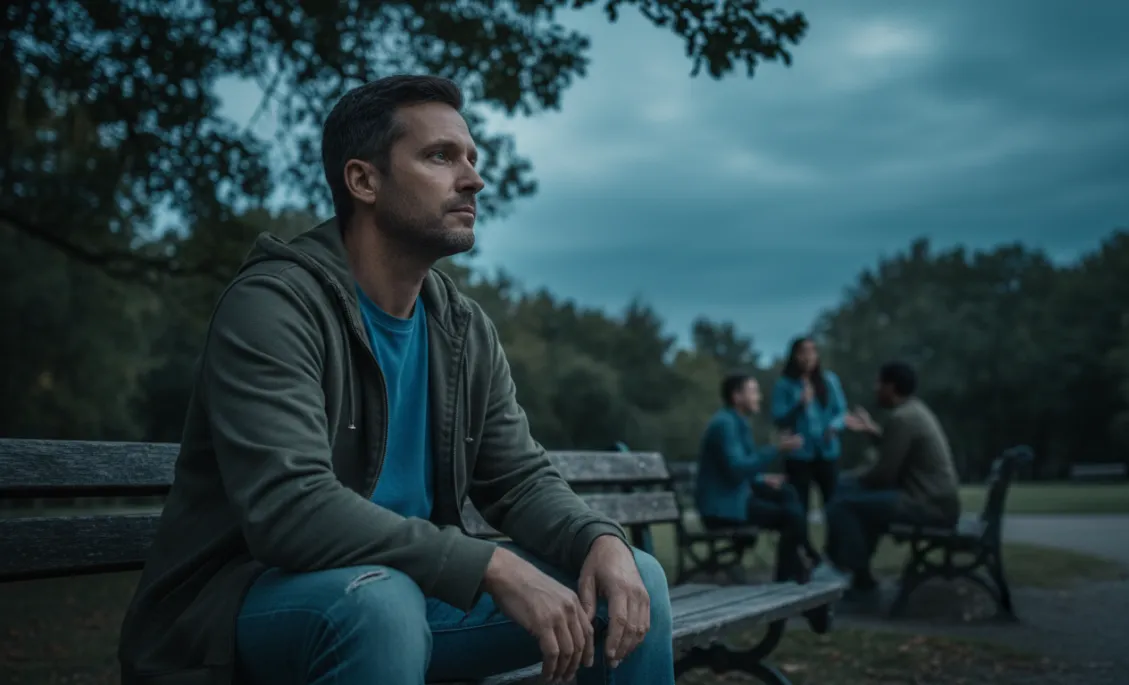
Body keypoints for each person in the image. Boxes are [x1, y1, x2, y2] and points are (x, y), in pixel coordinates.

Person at [117, 75, 673, 685]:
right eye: (440, 156)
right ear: (364, 181)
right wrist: (489, 564)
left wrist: (601, 539)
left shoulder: (460, 327)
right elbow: (291, 509)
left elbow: (517, 477)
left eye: (471, 159)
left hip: (411, 594)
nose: (473, 179)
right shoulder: (274, 306)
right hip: (234, 611)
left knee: (634, 579)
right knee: (378, 604)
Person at [821, 361, 961, 597]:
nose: (875, 388)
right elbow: (895, 452)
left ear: (891, 387)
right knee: (848, 494)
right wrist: (872, 432)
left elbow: (883, 475)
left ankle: (849, 572)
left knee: (843, 504)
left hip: (926, 505)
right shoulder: (914, 411)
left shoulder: (903, 418)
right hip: (934, 501)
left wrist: (851, 480)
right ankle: (853, 571)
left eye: (879, 383)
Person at [694, 372, 814, 583]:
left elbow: (740, 469)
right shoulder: (725, 425)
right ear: (737, 396)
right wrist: (777, 448)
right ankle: (790, 576)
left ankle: (801, 563)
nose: (758, 397)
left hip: (736, 498)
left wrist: (761, 479)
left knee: (787, 493)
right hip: (723, 509)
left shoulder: (737, 422)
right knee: (790, 517)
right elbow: (737, 469)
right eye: (753, 391)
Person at [771, 337, 848, 560]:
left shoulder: (829, 381)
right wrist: (799, 404)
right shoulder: (784, 385)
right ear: (795, 356)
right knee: (799, 507)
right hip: (799, 455)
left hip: (826, 451)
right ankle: (806, 554)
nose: (809, 357)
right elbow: (778, 418)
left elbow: (841, 411)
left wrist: (834, 426)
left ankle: (834, 553)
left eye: (813, 351)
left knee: (833, 505)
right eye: (804, 352)